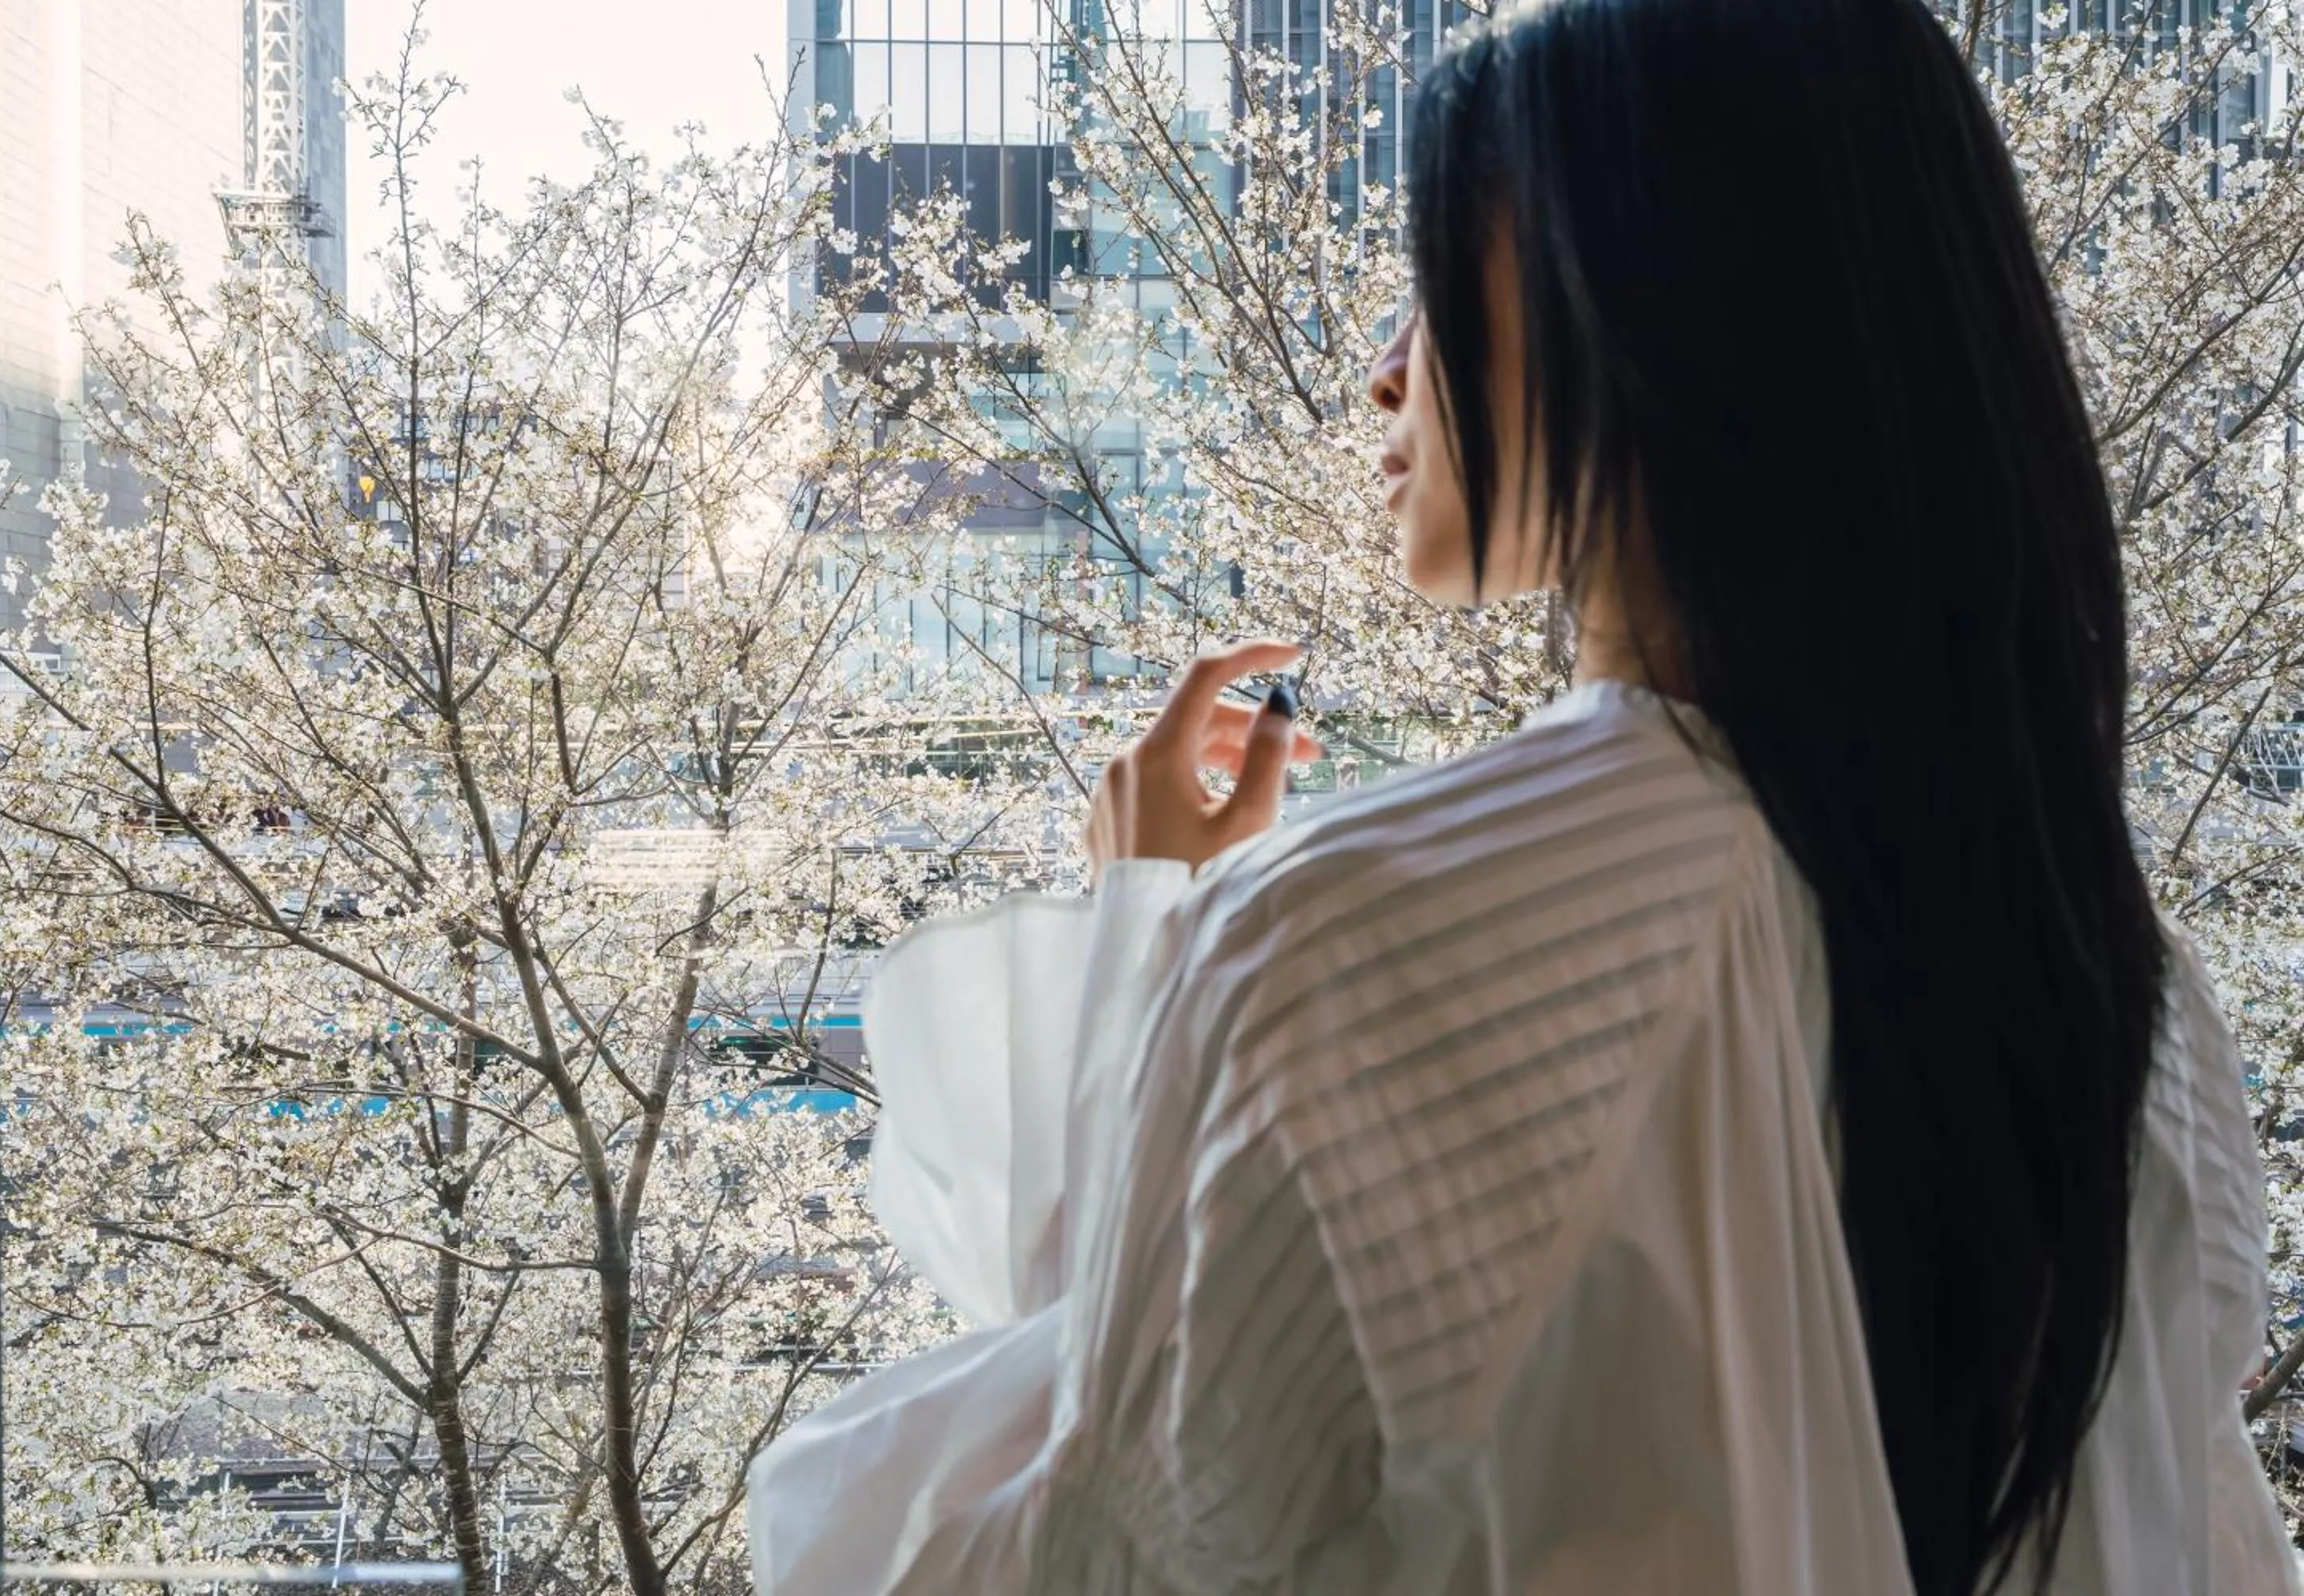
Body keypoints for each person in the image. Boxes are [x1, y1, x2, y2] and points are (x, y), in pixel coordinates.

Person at [748, 0, 2298, 1589]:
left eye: (1428, 282)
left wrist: (1140, 933)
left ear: (1631, 306)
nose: (1382, 375)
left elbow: (1085, 1557)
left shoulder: (1344, 944)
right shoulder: (2138, 1008)